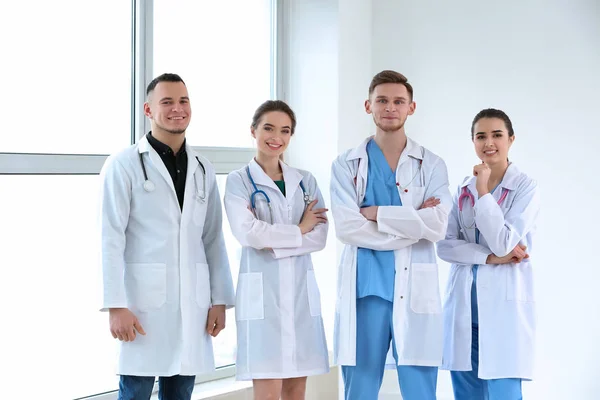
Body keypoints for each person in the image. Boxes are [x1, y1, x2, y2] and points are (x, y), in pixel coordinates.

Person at [99, 73, 235, 400]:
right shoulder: (125, 164)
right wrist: (115, 305)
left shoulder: (203, 167)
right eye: (167, 102)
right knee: (135, 392)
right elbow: (110, 238)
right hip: (141, 305)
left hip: (193, 304)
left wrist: (220, 300)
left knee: (181, 394)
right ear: (148, 109)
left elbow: (213, 237)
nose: (178, 108)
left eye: (183, 101)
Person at [330, 70, 452, 400]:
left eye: (399, 101)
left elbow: (438, 226)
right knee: (361, 388)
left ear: (411, 107)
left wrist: (378, 214)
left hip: (415, 288)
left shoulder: (432, 164)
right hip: (366, 288)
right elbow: (347, 228)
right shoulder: (346, 165)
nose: (390, 108)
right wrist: (414, 224)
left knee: (420, 390)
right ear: (367, 105)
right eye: (382, 100)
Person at [224, 100, 329, 400]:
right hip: (263, 297)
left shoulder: (305, 181)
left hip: (299, 295)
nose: (276, 137)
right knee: (268, 391)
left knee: (296, 390)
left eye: (285, 131)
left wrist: (276, 241)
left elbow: (320, 237)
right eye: (268, 128)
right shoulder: (239, 181)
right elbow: (248, 233)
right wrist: (299, 229)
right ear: (253, 130)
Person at [437, 108, 540, 400]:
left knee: (503, 393)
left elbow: (504, 242)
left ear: (511, 139)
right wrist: (492, 259)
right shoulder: (462, 189)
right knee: (466, 395)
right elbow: (445, 246)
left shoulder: (525, 188)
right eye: (481, 136)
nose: (488, 142)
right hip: (464, 313)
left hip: (503, 312)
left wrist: (483, 191)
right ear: (473, 141)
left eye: (497, 135)